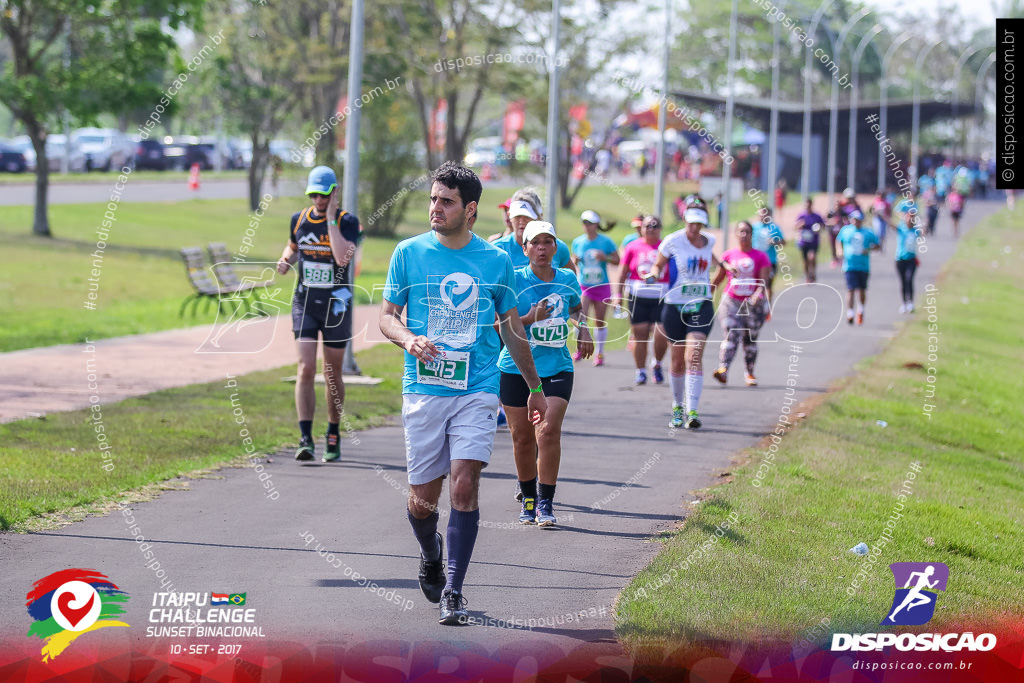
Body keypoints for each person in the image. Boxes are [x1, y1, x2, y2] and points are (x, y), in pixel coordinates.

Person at [379, 161, 547, 625]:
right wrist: (407, 338)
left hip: (477, 386)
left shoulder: (495, 262)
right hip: (424, 388)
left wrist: (534, 387)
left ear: (470, 210)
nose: (436, 207)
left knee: (465, 483)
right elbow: (386, 315)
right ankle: (430, 551)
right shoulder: (408, 253)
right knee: (422, 500)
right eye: (433, 198)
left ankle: (454, 588)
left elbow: (513, 328)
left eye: (446, 201)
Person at [499, 220, 592, 528]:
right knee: (522, 438)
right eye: (534, 242)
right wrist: (530, 317)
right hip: (516, 369)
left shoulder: (566, 277)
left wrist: (583, 328)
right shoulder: (513, 279)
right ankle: (527, 499)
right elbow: (504, 326)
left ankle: (545, 502)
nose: (541, 248)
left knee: (547, 430)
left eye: (547, 242)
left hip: (556, 367)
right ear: (524, 248)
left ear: (556, 247)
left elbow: (576, 308)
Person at [276, 166, 360, 462]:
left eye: (324, 194)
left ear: (334, 193)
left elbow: (342, 257)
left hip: (337, 305)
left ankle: (333, 432)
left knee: (332, 371)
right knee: (306, 368)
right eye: (314, 194)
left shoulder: (347, 221)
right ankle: (305, 437)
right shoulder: (298, 219)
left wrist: (330, 220)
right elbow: (293, 247)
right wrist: (286, 260)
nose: (318, 199)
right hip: (305, 303)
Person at [646, 197, 726, 429]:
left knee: (694, 356)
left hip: (701, 305)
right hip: (675, 306)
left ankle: (693, 410)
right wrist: (652, 274)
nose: (694, 228)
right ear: (684, 220)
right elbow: (658, 265)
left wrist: (717, 279)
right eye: (691, 223)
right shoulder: (672, 241)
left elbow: (715, 261)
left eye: (699, 224)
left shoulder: (709, 241)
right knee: (678, 361)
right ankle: (677, 407)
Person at [711, 221, 772, 386]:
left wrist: (757, 296)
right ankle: (723, 370)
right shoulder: (728, 255)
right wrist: (706, 293)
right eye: (740, 232)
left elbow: (763, 281)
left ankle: (750, 373)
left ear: (752, 234)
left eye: (747, 232)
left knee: (750, 339)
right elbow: (718, 278)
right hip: (731, 301)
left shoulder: (761, 256)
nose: (744, 235)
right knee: (731, 334)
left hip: (753, 305)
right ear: (736, 234)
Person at [614, 215, 669, 385]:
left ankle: (657, 363)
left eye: (654, 226)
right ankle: (641, 371)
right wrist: (618, 296)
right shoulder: (633, 247)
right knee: (640, 335)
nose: (650, 229)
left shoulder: (666, 247)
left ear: (660, 229)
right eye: (647, 226)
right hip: (638, 297)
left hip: (661, 297)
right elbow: (622, 272)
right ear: (642, 228)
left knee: (661, 334)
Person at [571, 210, 620, 366]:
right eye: (584, 223)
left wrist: (604, 257)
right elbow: (572, 261)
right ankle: (580, 349)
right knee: (580, 319)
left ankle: (599, 353)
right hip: (584, 285)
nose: (587, 226)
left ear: (597, 225)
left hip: (602, 285)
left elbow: (617, 261)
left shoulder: (606, 242)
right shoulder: (578, 241)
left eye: (590, 223)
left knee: (599, 321)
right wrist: (575, 260)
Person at [836, 210, 880, 325]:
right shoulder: (845, 231)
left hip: (863, 266)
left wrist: (869, 249)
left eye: (858, 220)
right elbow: (839, 241)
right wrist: (839, 251)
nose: (856, 222)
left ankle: (860, 310)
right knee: (850, 289)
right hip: (849, 265)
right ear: (851, 220)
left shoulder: (868, 232)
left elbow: (878, 245)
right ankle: (850, 313)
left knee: (861, 290)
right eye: (854, 220)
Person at [751, 207, 785, 306]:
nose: (763, 216)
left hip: (770, 261)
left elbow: (783, 242)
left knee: (768, 284)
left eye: (765, 214)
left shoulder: (774, 228)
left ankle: (768, 306)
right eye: (761, 214)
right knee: (756, 285)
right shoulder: (754, 227)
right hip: (755, 261)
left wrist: (775, 241)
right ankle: (755, 304)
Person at [894, 200, 921, 313]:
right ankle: (904, 303)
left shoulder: (916, 231)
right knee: (903, 282)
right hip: (900, 259)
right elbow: (891, 224)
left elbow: (924, 230)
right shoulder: (901, 228)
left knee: (909, 279)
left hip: (911, 259)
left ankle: (911, 302)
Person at [794, 197, 824, 283]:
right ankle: (807, 276)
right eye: (806, 205)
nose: (808, 206)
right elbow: (795, 227)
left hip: (813, 241)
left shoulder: (817, 216)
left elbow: (823, 225)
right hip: (803, 241)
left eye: (809, 205)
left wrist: (819, 228)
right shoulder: (801, 216)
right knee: (805, 261)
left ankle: (813, 272)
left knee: (812, 257)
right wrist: (800, 225)